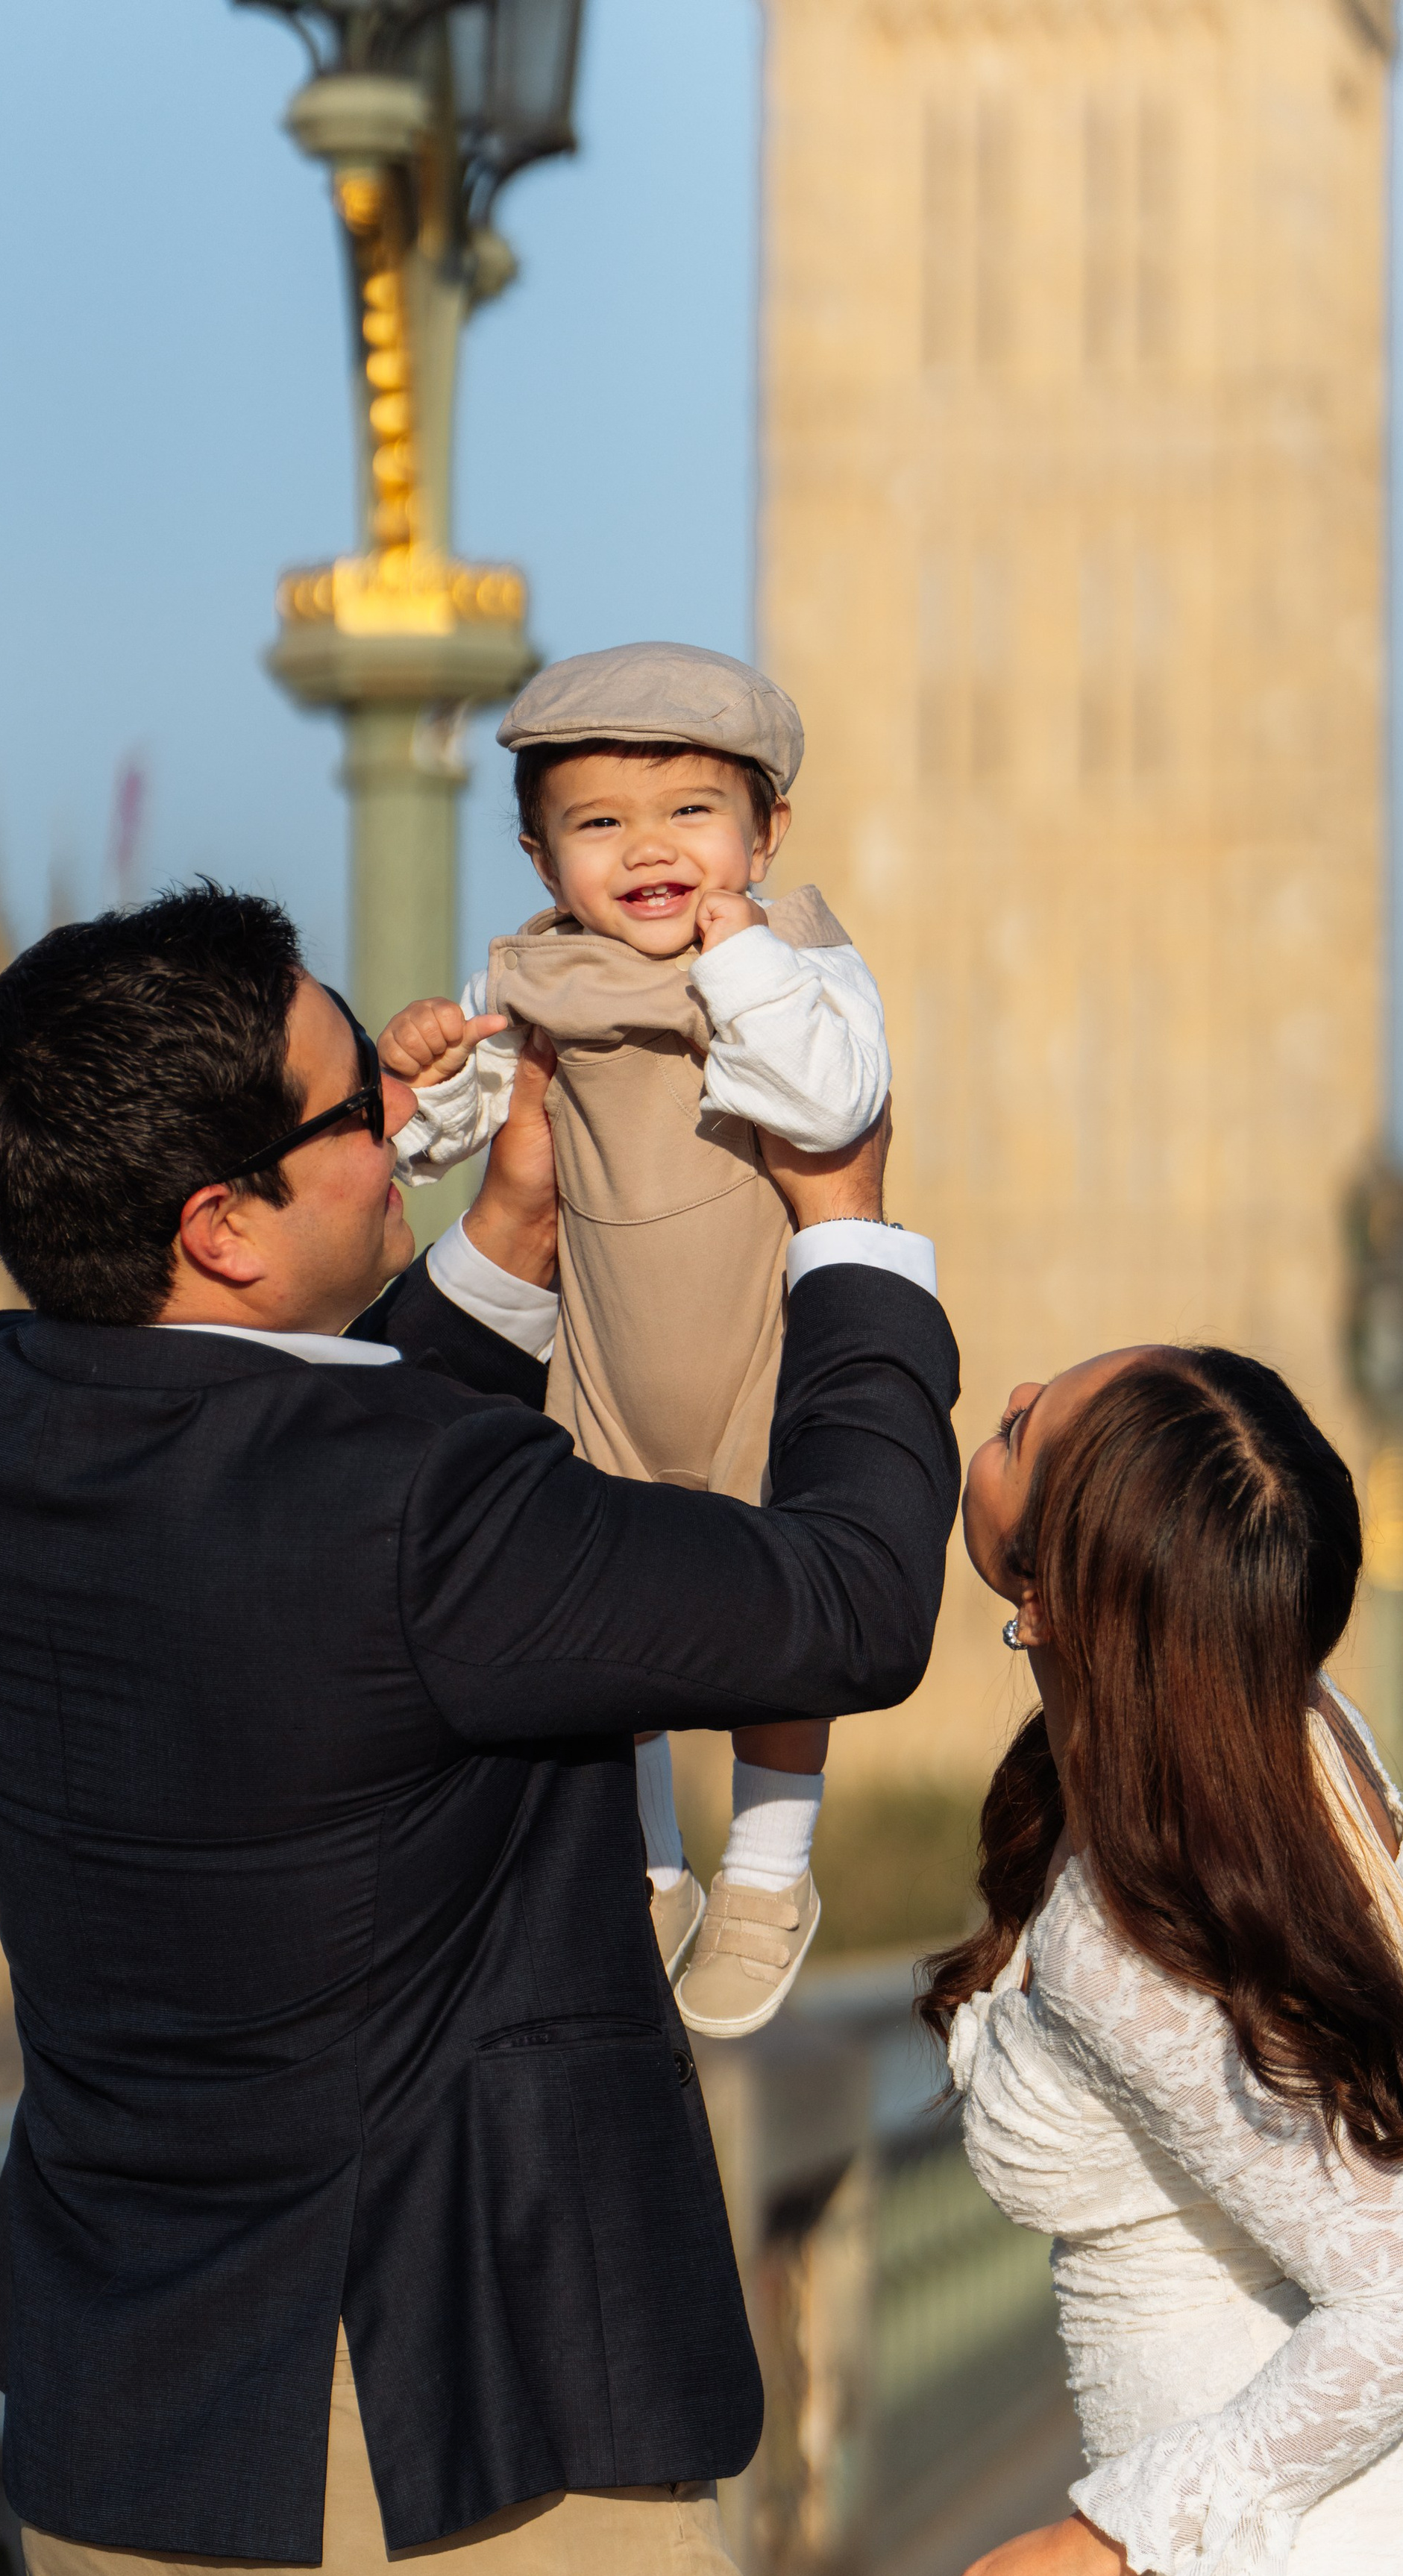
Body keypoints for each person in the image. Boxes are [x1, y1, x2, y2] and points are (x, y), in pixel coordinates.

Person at [0, 881, 961, 2576]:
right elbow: (849, 1603)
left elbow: (299, 1513)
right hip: (481, 2451)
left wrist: (507, 1245)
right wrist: (854, 1234)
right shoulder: (421, 1522)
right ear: (220, 1224)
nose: (396, 1106)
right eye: (345, 1112)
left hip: (135, 2459)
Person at [918, 1344, 1403, 2576]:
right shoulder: (1281, 1740)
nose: (1022, 1379)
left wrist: (1100, 2539)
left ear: (1050, 1601)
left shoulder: (1130, 1933)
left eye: (1016, 1428)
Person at [381, 639, 907, 2041]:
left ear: (764, 831)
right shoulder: (547, 980)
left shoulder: (797, 964)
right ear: (542, 859)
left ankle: (771, 1868)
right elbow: (446, 1146)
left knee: (778, 1614)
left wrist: (733, 959)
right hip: (605, 1349)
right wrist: (430, 1072)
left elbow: (831, 1097)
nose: (649, 851)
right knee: (605, 1614)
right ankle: (650, 1864)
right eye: (598, 824)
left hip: (757, 1341)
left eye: (689, 813)